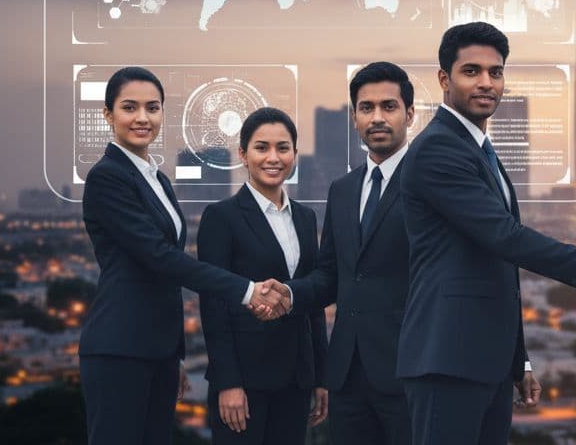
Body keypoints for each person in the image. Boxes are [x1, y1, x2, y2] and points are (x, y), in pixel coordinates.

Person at [396, 21, 576, 445]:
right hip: (447, 360)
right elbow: (508, 239)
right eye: (471, 71)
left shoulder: (477, 149)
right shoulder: (438, 149)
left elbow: (498, 267)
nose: (486, 82)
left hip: (484, 362)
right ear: (444, 79)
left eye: (495, 72)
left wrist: (518, 361)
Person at [78, 67, 287, 444]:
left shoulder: (156, 179)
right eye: (129, 107)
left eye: (152, 107)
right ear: (108, 114)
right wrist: (246, 291)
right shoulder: (107, 177)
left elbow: (164, 272)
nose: (142, 118)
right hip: (119, 348)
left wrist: (172, 354)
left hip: (155, 349)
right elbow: (160, 258)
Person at [287, 61, 416, 444]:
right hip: (347, 375)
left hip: (410, 371)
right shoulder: (342, 189)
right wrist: (289, 293)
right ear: (355, 118)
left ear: (410, 114)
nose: (377, 118)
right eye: (366, 108)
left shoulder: (429, 183)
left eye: (388, 106)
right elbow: (332, 274)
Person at [197, 107, 328, 443]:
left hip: (296, 380)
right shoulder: (221, 217)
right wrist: (228, 382)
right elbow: (213, 306)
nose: (273, 158)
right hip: (245, 383)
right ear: (243, 155)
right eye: (261, 147)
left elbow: (311, 300)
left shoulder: (306, 218)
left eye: (283, 148)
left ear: (294, 154)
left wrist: (319, 377)